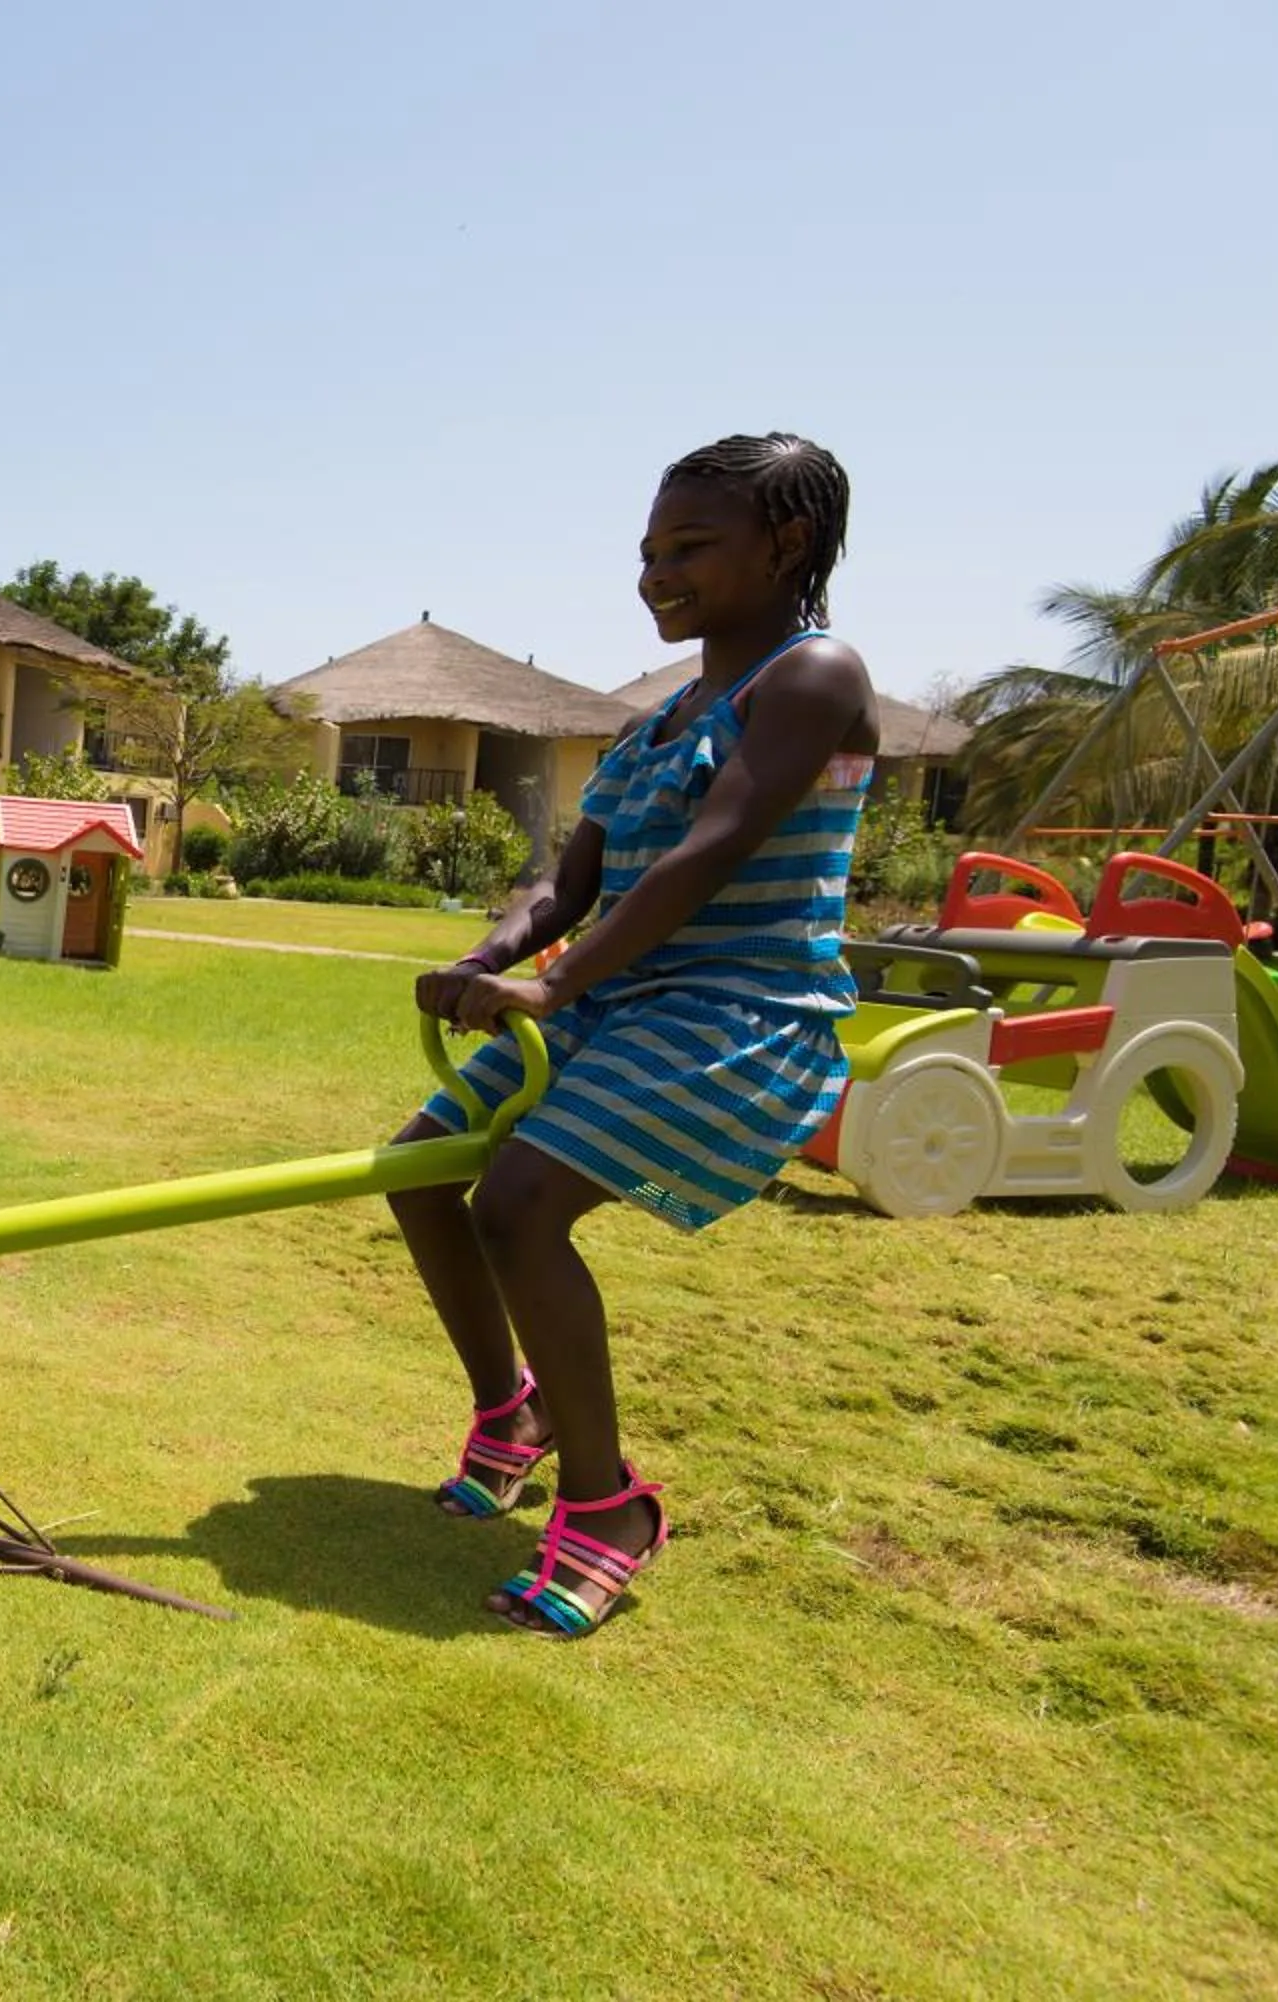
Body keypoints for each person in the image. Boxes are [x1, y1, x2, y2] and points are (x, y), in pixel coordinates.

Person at [387, 433, 877, 1637]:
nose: (659, 574)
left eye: (692, 549)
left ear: (789, 543)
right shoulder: (656, 719)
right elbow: (569, 882)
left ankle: (607, 1504)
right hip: (613, 995)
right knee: (419, 1174)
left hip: (736, 1006)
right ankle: (512, 1409)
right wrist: (495, 956)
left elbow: (717, 850)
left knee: (516, 1204)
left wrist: (558, 988)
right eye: (650, 552)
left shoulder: (812, 679)